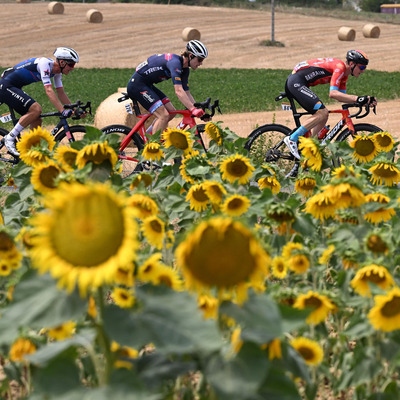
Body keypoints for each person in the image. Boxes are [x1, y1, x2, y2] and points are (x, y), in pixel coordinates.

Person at [283, 50, 377, 159]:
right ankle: (292, 139)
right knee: (322, 112)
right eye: (361, 67)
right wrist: (358, 99)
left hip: (299, 82)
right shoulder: (340, 67)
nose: (363, 71)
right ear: (351, 64)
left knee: (324, 114)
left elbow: (341, 97)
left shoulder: (344, 75)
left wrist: (363, 101)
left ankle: (309, 148)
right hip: (296, 82)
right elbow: (333, 94)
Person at [0, 47, 81, 157]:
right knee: (36, 109)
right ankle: (9, 138)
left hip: (13, 86)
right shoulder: (45, 64)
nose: (72, 68)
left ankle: (30, 154)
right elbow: (48, 90)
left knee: (36, 119)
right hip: (5, 86)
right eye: (71, 65)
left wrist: (75, 110)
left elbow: (60, 92)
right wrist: (62, 110)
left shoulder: (57, 72)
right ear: (62, 62)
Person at [127, 40, 208, 135]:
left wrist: (201, 113)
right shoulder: (175, 63)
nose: (201, 63)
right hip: (137, 85)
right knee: (164, 115)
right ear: (190, 56)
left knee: (172, 112)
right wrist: (193, 109)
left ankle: (148, 137)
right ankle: (154, 146)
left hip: (146, 84)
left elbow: (187, 93)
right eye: (200, 59)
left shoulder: (185, 70)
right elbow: (178, 91)